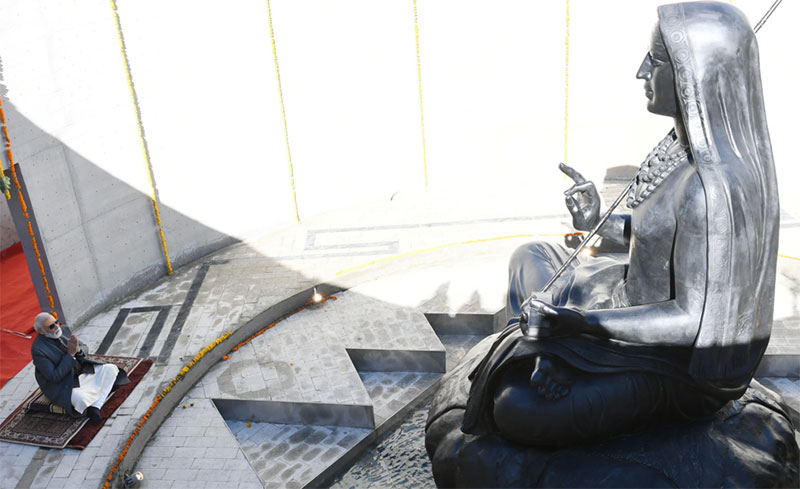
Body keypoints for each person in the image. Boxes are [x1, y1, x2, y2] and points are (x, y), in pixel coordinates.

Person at [462, 2, 779, 447]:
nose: (641, 71)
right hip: (623, 300)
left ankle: (553, 353)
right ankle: (549, 352)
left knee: (517, 408)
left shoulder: (710, 191)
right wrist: (598, 223)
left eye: (657, 60)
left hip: (667, 359)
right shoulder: (681, 144)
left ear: (695, 74)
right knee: (529, 256)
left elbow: (692, 321)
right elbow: (660, 244)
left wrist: (582, 326)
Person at [31, 312, 129, 422]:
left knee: (111, 369)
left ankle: (96, 405)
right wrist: (70, 355)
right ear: (41, 331)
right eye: (51, 326)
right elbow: (54, 376)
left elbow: (84, 347)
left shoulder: (63, 330)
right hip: (65, 383)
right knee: (81, 399)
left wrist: (78, 350)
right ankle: (99, 398)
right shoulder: (38, 350)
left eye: (56, 322)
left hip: (81, 371)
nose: (56, 327)